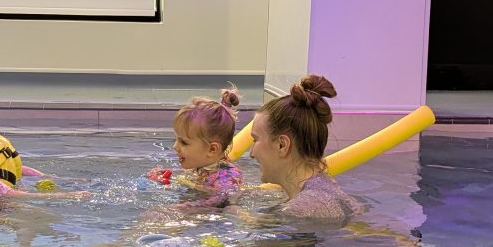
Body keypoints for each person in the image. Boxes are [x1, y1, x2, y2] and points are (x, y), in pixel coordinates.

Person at [249, 74, 361, 221]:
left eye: (255, 140)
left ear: (282, 145)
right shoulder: (334, 195)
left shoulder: (298, 211)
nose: (251, 153)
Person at [147, 86, 243, 206]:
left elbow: (222, 199)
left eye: (184, 142)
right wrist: (166, 179)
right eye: (176, 140)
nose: (175, 147)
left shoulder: (228, 176)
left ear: (212, 149)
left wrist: (187, 208)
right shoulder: (200, 165)